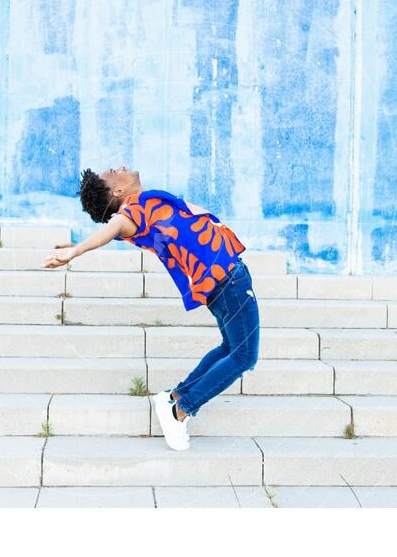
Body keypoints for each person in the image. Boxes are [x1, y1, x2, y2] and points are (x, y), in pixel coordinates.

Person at [41, 166, 260, 451]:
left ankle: (177, 396)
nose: (118, 167)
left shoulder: (140, 213)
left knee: (230, 347)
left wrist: (79, 245)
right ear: (118, 191)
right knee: (243, 355)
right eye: (112, 172)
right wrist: (77, 250)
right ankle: (180, 412)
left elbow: (114, 230)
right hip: (226, 279)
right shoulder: (133, 210)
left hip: (221, 280)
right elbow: (115, 226)